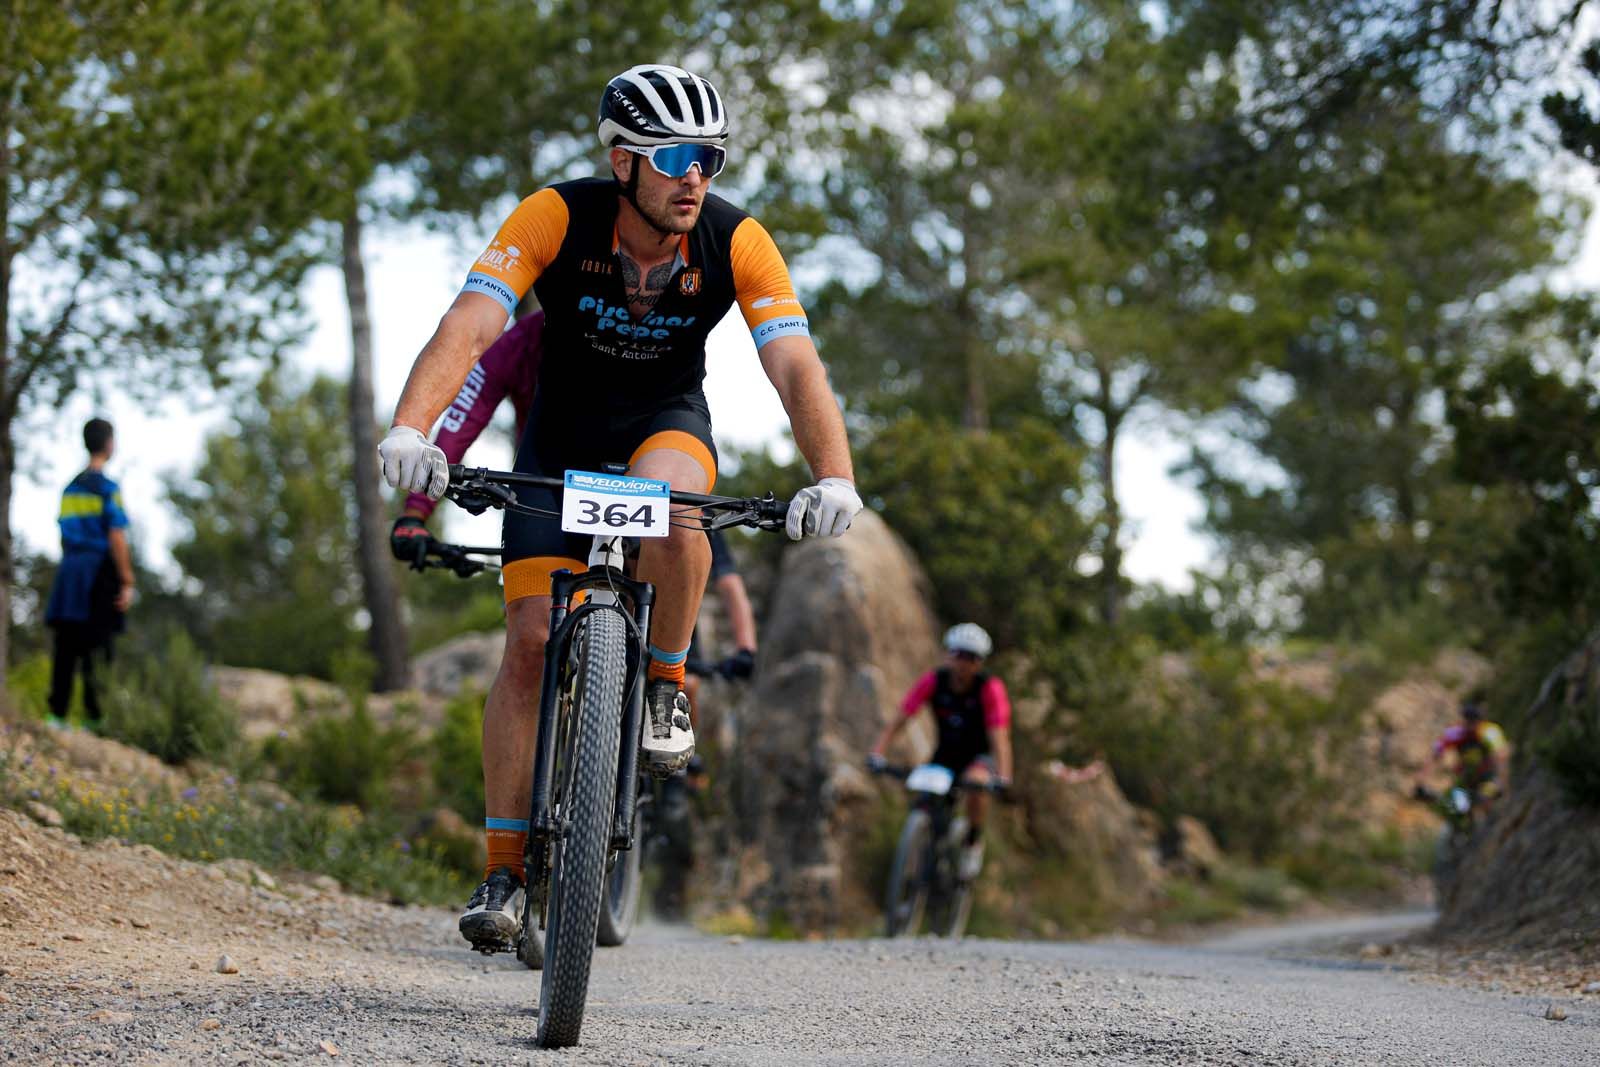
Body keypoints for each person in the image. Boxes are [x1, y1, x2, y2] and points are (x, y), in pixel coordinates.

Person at [376, 64, 861, 952]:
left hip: (662, 423)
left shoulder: (734, 237)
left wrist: (833, 473)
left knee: (681, 511)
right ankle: (505, 869)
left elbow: (794, 363)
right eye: (675, 155)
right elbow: (472, 325)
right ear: (622, 160)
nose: (695, 176)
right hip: (559, 442)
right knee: (526, 645)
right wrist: (413, 429)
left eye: (709, 157)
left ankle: (666, 687)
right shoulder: (555, 216)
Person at [389, 310, 544, 561]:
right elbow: (458, 426)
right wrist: (415, 513)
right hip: (543, 476)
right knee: (536, 594)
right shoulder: (516, 344)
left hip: (623, 467)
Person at [869, 623, 1013, 882]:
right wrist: (878, 752)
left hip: (978, 757)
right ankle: (920, 847)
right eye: (959, 654)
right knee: (924, 796)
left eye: (971, 657)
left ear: (980, 662)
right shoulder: (934, 681)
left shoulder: (989, 689)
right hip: (945, 754)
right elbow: (900, 719)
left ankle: (971, 845)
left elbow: (999, 736)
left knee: (977, 787)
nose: (963, 663)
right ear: (948, 654)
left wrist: (1003, 775)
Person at [44, 418, 134, 727]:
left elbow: (62, 531)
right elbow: (117, 537)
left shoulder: (70, 488)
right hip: (99, 573)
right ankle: (94, 720)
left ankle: (56, 715)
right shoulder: (108, 489)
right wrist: (126, 580)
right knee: (99, 647)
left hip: (70, 573)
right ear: (109, 443)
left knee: (66, 646)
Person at [1415, 701, 1510, 806]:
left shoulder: (1488, 731)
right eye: (1467, 720)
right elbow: (1435, 755)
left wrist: (1501, 782)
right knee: (1460, 804)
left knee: (1486, 796)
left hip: (1488, 774)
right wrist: (1421, 781)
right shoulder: (1456, 733)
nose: (1470, 724)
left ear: (1480, 720)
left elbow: (1501, 755)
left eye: (1473, 720)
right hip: (1467, 777)